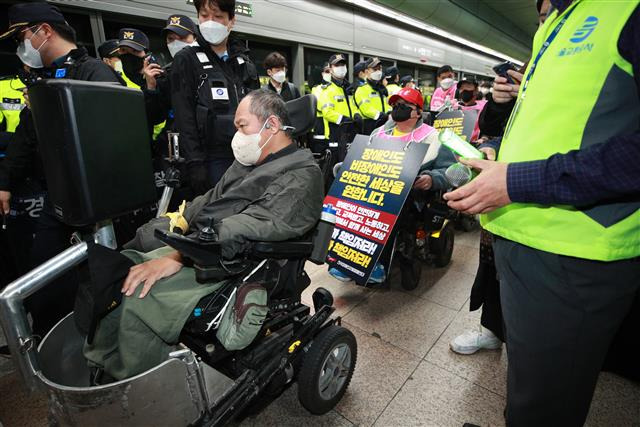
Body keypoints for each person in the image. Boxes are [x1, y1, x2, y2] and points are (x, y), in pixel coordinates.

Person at [445, 0, 640, 425]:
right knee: (530, 388)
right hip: (525, 239)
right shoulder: (557, 21)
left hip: (575, 251)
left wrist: (516, 182)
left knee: (546, 407)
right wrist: (502, 122)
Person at [83, 89, 324, 381]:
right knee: (122, 265)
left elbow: (251, 226)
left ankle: (141, 386)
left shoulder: (302, 175)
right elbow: (214, 197)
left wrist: (181, 255)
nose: (236, 136)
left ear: (271, 125)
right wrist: (182, 219)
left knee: (137, 297)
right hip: (205, 245)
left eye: (242, 125)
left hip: (233, 261)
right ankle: (105, 359)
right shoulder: (252, 161)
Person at [0, 2, 123, 339]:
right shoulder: (42, 79)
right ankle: (51, 340)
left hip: (91, 200)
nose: (20, 46)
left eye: (23, 36)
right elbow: (27, 136)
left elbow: (111, 141)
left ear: (45, 31)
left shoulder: (94, 73)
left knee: (94, 275)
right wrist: (5, 181)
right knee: (45, 276)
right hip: (53, 195)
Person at [329, 87, 456, 284]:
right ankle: (346, 258)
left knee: (386, 213)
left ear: (418, 112)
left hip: (411, 197)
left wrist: (431, 179)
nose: (399, 109)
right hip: (369, 189)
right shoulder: (378, 133)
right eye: (396, 105)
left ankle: (375, 262)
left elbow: (448, 170)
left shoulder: (432, 137)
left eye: (405, 106)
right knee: (349, 207)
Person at [171, 0, 260, 195]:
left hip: (246, 156)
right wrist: (195, 163)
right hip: (210, 159)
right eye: (204, 16)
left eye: (218, 16)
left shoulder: (244, 62)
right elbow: (184, 116)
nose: (210, 22)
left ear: (231, 21)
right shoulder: (187, 59)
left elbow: (258, 110)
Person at [318, 53, 359, 143]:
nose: (341, 67)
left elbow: (352, 106)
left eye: (343, 65)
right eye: (337, 65)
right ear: (330, 69)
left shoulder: (348, 88)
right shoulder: (327, 89)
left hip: (350, 131)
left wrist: (356, 114)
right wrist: (343, 119)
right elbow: (327, 112)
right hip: (336, 133)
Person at [354, 57, 389, 135]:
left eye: (379, 69)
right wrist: (381, 115)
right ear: (366, 72)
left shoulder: (381, 89)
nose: (378, 72)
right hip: (369, 126)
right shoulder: (362, 89)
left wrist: (389, 112)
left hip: (384, 125)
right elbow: (366, 109)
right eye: (375, 69)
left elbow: (386, 105)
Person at [456, 78, 487, 142]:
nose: (464, 90)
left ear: (476, 90)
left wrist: (483, 138)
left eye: (468, 87)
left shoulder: (483, 108)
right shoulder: (452, 106)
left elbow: (488, 129)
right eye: (461, 88)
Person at [311, 62, 331, 142]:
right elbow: (320, 106)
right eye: (327, 71)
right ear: (322, 74)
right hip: (321, 127)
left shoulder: (339, 89)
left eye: (330, 71)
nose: (329, 73)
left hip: (335, 127)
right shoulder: (316, 89)